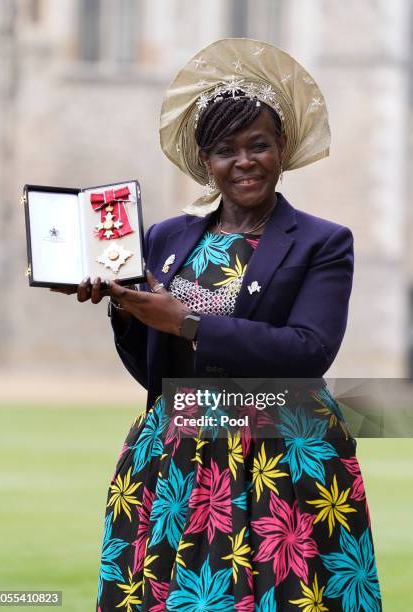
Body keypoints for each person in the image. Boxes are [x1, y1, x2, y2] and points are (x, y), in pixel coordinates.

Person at [59, 39, 382, 611]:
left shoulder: (322, 242)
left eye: (258, 145)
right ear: (204, 160)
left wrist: (188, 322)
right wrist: (122, 307)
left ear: (283, 148)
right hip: (178, 460)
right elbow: (153, 372)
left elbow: (309, 352)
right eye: (226, 150)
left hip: (282, 461)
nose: (245, 161)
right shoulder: (162, 238)